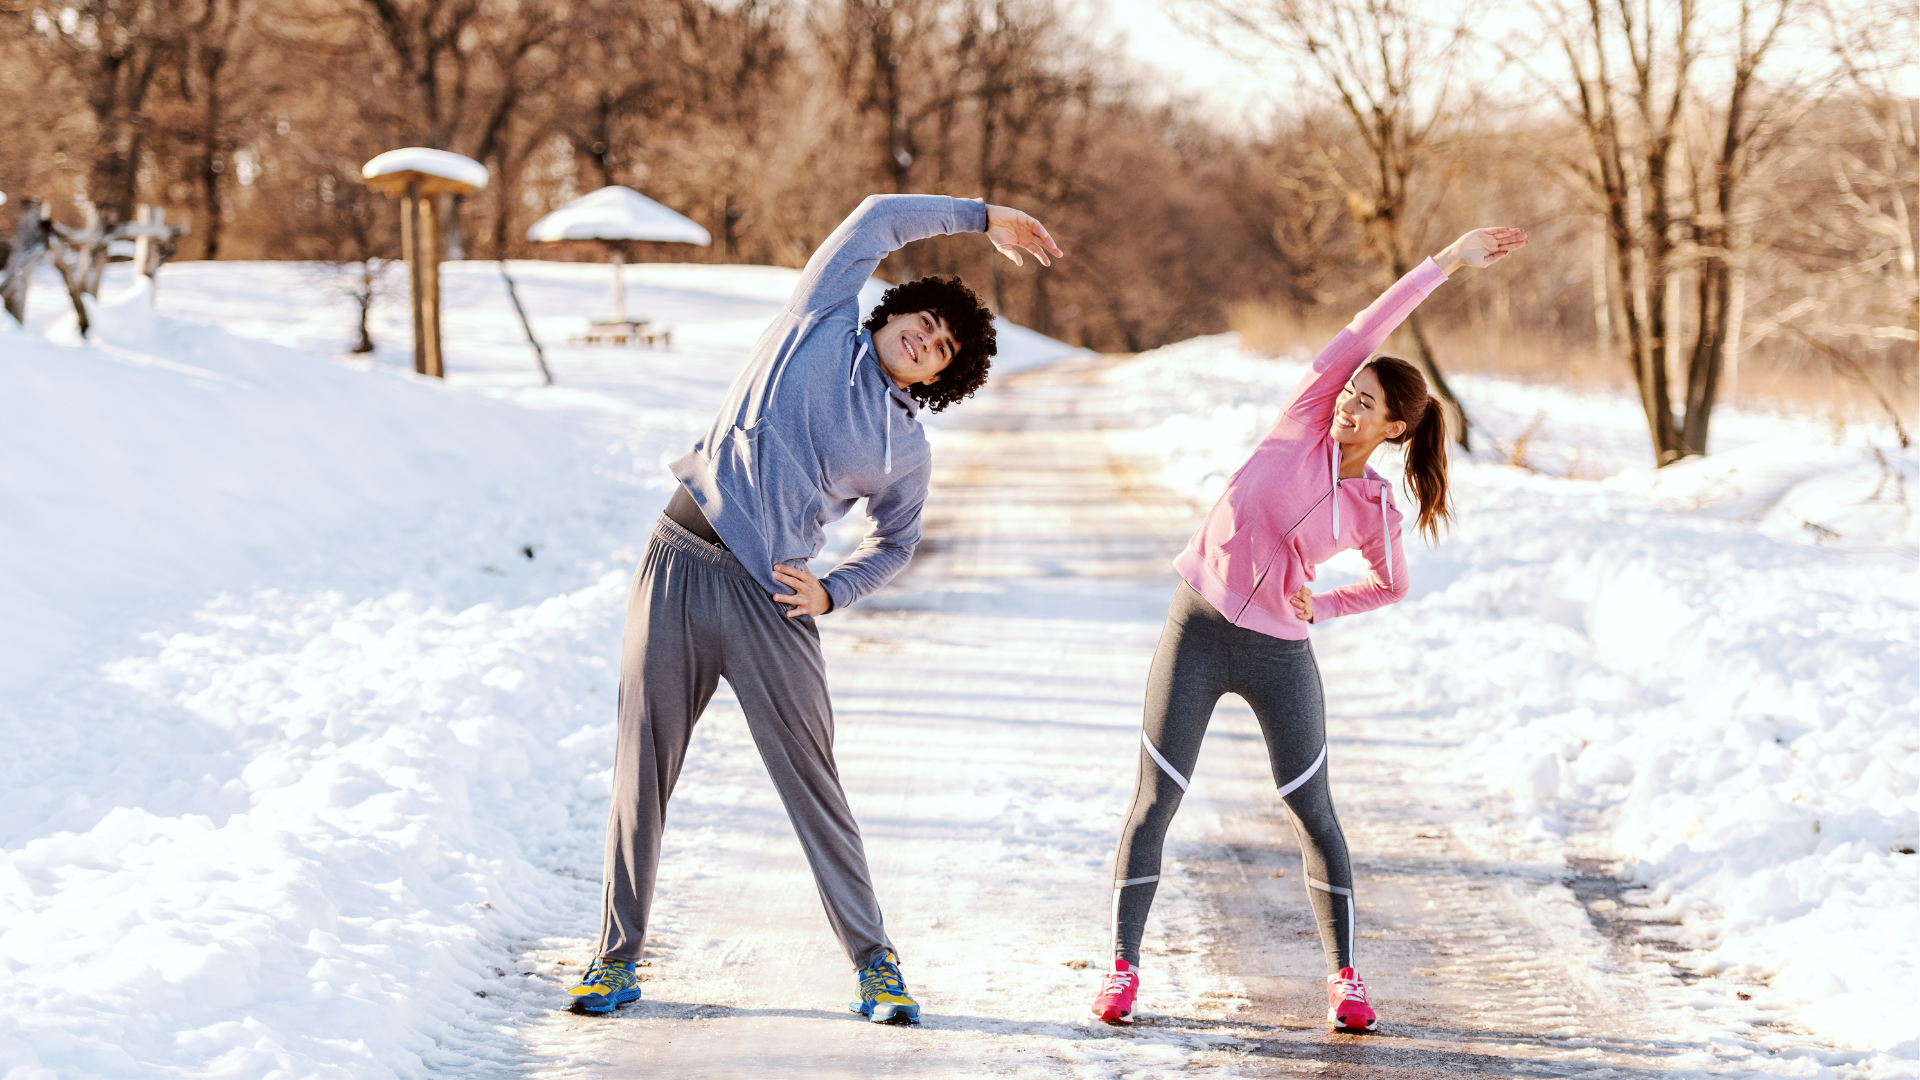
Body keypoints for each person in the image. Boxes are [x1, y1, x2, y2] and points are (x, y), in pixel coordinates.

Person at [568, 194, 1063, 1025]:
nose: (926, 342)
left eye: (942, 351)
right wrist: (983, 218)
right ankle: (614, 959)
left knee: (812, 784)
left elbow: (896, 542)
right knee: (641, 768)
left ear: (939, 379)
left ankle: (876, 965)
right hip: (676, 564)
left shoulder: (903, 447)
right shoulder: (819, 318)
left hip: (773, 601)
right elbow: (877, 217)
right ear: (895, 310)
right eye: (926, 323)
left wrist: (834, 590)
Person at [1089, 227, 1529, 1032]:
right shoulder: (1302, 418)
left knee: (1312, 810)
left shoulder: (1374, 509)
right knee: (1156, 801)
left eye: (1367, 402)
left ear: (1396, 428)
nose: (1349, 403)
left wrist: (1320, 605)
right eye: (1350, 390)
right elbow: (1368, 323)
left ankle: (1346, 979)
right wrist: (1447, 262)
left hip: (1278, 654)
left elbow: (1390, 584)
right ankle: (1122, 968)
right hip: (1196, 625)